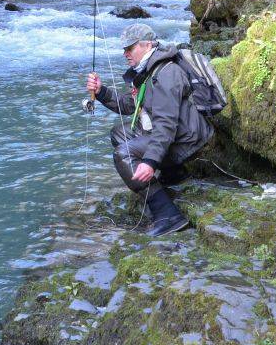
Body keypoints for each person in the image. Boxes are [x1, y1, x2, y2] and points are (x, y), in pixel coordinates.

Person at [86, 23, 214, 236]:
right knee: (119, 133)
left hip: (187, 140)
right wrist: (101, 92)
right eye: (124, 49)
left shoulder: (166, 73)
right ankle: (174, 174)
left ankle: (168, 214)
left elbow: (166, 124)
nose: (125, 53)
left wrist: (150, 162)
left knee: (123, 153)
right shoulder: (148, 70)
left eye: (130, 48)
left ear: (147, 45)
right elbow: (130, 105)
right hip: (177, 133)